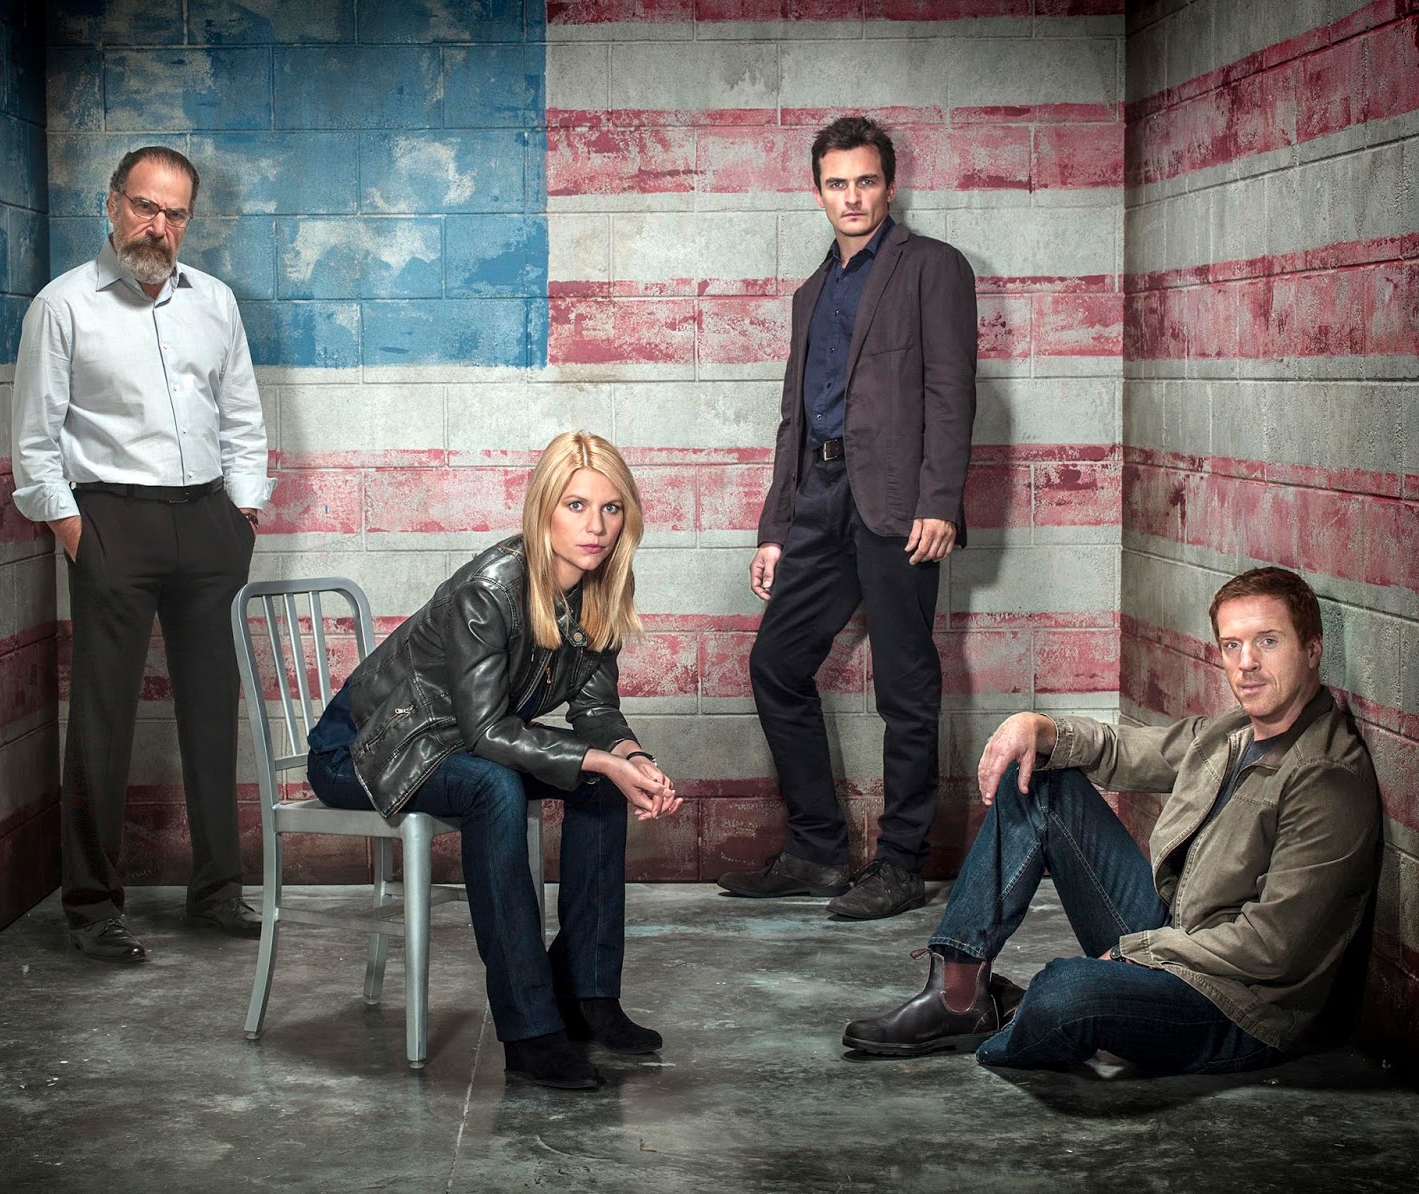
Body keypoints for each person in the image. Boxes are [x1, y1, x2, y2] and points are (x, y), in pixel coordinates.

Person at [842, 567, 1381, 1075]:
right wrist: (1041, 728)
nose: (1247, 664)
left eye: (1268, 641)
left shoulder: (1325, 778)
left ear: (1312, 650)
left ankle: (1022, 1015)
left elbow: (1271, 946)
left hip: (1235, 1004)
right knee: (1041, 779)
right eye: (1232, 645)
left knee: (1066, 991)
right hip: (1177, 938)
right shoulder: (1237, 730)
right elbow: (1132, 751)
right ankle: (957, 993)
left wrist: (1137, 951)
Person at [306, 431, 683, 1091]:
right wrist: (602, 759)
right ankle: (530, 1030)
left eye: (611, 508)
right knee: (494, 787)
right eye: (576, 506)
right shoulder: (493, 587)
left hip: (454, 742)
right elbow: (485, 732)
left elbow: (596, 711)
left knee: (599, 786)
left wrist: (632, 759)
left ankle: (588, 994)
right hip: (366, 748)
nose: (596, 527)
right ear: (543, 510)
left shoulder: (601, 584)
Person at [11, 146, 273, 963]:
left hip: (208, 523)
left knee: (213, 711)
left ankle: (218, 892)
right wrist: (78, 537)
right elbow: (35, 444)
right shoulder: (62, 306)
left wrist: (243, 514)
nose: (158, 226)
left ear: (189, 221)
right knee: (101, 718)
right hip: (110, 522)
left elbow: (242, 415)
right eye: (144, 206)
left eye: (175, 214)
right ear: (112, 203)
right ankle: (92, 907)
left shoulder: (215, 302)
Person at [718, 115, 978, 920]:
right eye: (837, 184)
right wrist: (775, 527)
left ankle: (900, 864)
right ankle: (819, 851)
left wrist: (939, 501)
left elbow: (951, 392)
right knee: (776, 664)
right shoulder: (811, 292)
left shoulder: (932, 267)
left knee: (904, 684)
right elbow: (792, 417)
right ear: (818, 193)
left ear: (890, 187)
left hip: (898, 505)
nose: (852, 197)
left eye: (866, 181)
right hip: (818, 499)